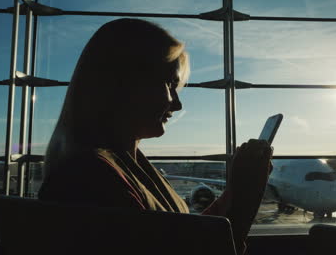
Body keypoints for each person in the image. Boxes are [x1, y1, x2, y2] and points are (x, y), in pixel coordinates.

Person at [38, 18, 273, 255]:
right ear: (125, 83)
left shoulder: (117, 165)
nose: (178, 104)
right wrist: (243, 203)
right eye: (170, 84)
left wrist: (234, 193)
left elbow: (179, 238)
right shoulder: (93, 178)